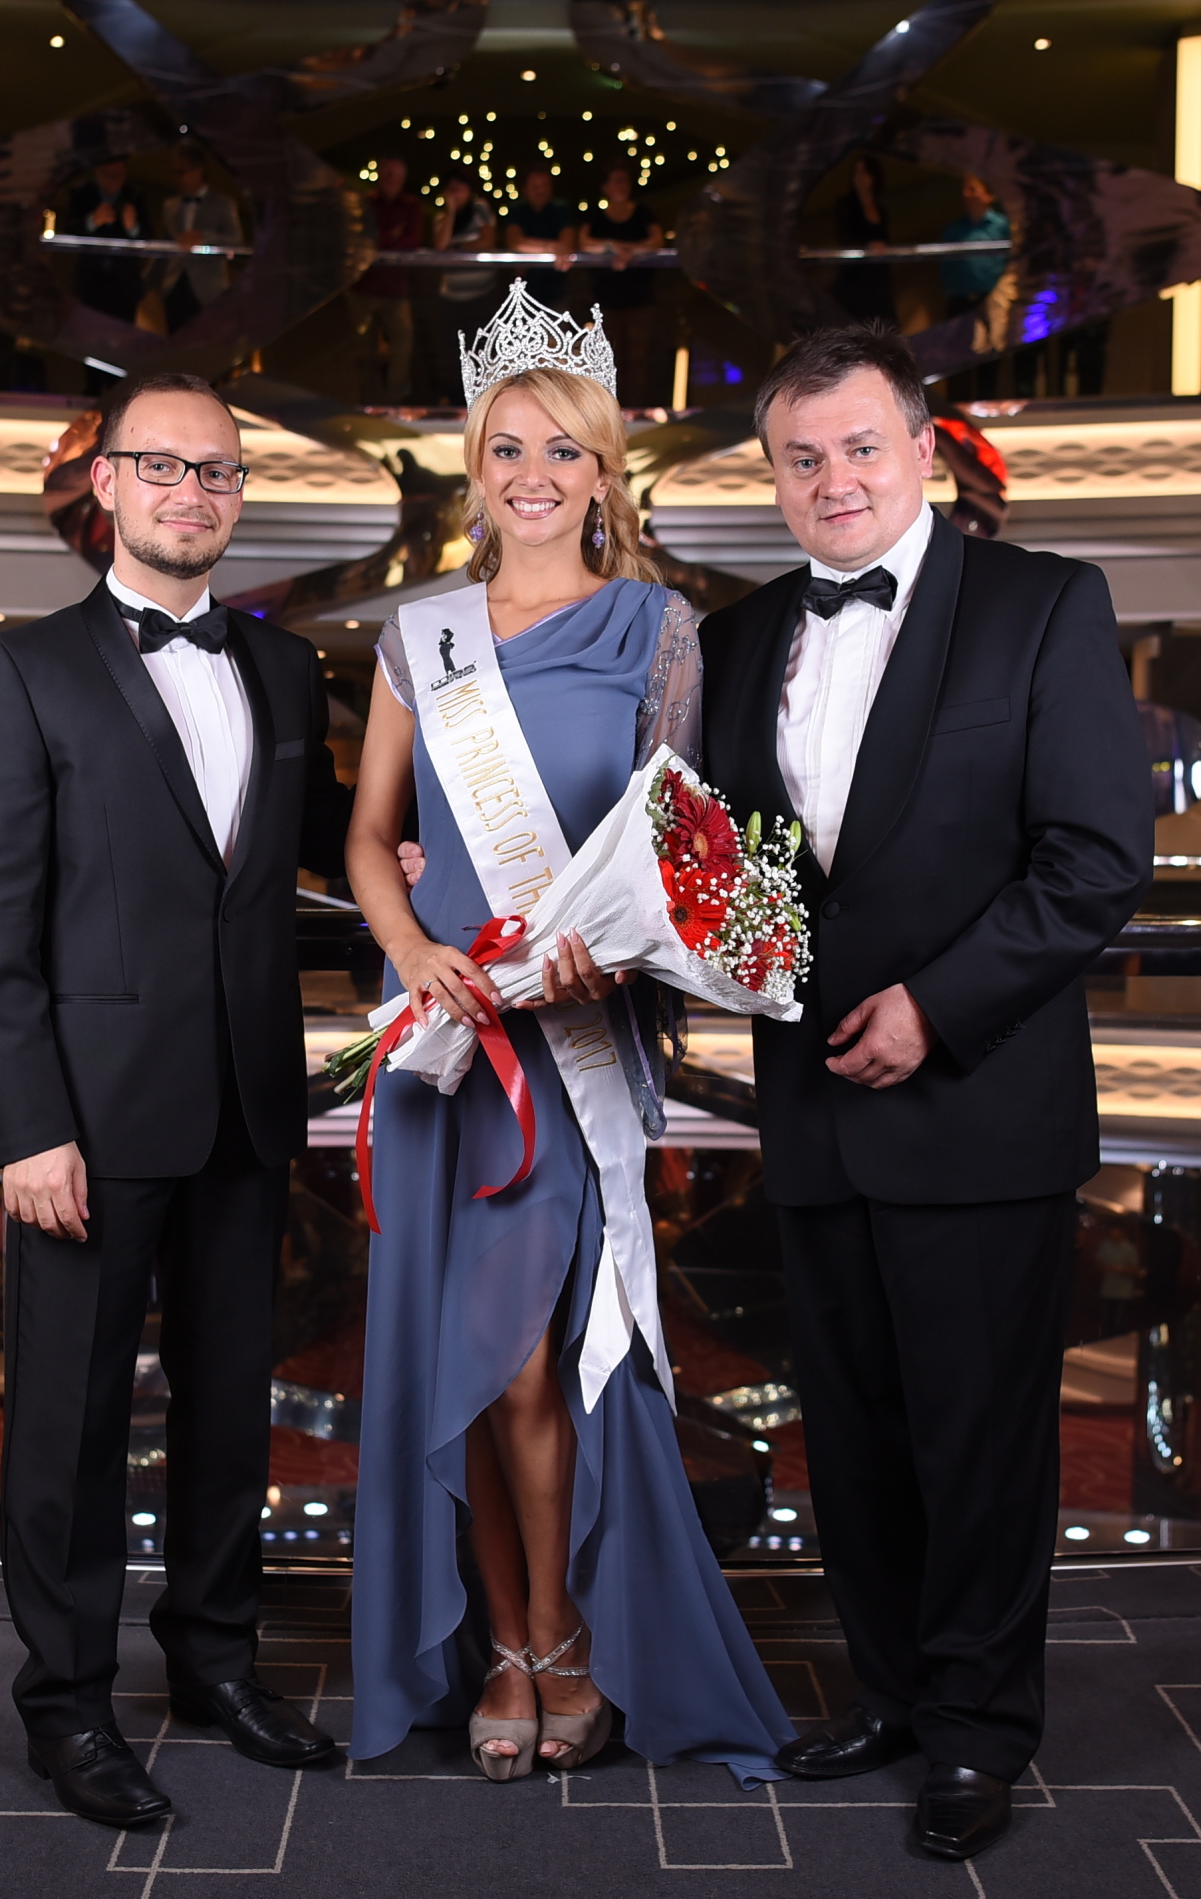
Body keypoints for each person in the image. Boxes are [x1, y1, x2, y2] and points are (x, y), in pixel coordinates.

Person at [693, 323, 1150, 1860]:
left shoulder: (1045, 606)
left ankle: (976, 1731)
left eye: (859, 447)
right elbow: (743, 870)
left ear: (923, 449)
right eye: (801, 458)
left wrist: (936, 1011)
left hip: (976, 1103)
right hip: (815, 1109)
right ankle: (891, 1692)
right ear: (774, 478)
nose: (833, 479)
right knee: (856, 1437)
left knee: (980, 1445)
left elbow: (1097, 859)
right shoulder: (741, 639)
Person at [344, 283, 789, 1788]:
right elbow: (370, 837)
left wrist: (624, 955)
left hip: (572, 1051)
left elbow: (679, 856)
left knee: (536, 1359)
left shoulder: (660, 631)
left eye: (564, 449)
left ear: (605, 473)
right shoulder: (420, 637)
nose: (534, 474)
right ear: (474, 470)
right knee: (470, 1365)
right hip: (445, 1049)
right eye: (507, 448)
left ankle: (563, 1637)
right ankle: (510, 1642)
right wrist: (414, 946)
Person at [0, 371, 352, 1830]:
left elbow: (329, 850)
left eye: (219, 471)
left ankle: (215, 1658)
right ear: (107, 484)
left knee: (229, 1408)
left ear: (241, 495)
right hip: (88, 1121)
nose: (193, 492)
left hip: (246, 1102)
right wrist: (25, 1128)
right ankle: (66, 1704)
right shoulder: (22, 670)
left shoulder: (288, 669)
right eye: (164, 467)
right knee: (67, 1424)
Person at [582, 165, 665, 406]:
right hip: (606, 301)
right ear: (605, 186)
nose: (621, 185)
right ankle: (609, 410)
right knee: (608, 359)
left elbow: (657, 240)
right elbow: (584, 243)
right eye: (615, 180)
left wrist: (631, 252)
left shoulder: (643, 213)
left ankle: (635, 409)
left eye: (624, 180)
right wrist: (612, 246)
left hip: (640, 299)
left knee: (639, 360)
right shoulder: (597, 217)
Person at [354, 155, 428, 402]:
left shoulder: (411, 206)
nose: (391, 180)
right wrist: (391, 236)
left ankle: (393, 404)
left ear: (403, 179)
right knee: (366, 352)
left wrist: (380, 241)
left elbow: (412, 240)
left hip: (396, 291)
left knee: (402, 348)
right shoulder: (366, 203)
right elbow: (362, 240)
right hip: (363, 289)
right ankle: (369, 404)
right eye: (387, 174)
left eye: (396, 176)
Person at [152, 142, 241, 335]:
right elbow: (163, 248)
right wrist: (149, 283)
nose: (177, 178)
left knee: (207, 343)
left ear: (198, 171)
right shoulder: (170, 205)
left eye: (181, 172)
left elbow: (236, 242)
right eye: (175, 173)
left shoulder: (223, 204)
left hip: (208, 290)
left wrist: (203, 237)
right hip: (174, 288)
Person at [430, 173, 499, 399]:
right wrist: (450, 212)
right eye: (452, 189)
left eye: (461, 188)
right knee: (452, 354)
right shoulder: (442, 217)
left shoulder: (480, 209)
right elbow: (441, 246)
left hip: (481, 295)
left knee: (480, 351)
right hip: (450, 298)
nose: (456, 193)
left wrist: (457, 248)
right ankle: (455, 400)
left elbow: (488, 241)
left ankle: (481, 400)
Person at [61, 154, 146, 324]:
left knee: (121, 334)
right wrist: (91, 221)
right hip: (89, 280)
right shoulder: (81, 193)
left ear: (125, 173)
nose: (113, 180)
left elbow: (148, 236)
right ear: (97, 171)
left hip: (124, 284)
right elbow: (68, 230)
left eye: (118, 175)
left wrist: (133, 227)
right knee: (86, 330)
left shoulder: (135, 195)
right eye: (107, 174)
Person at [939, 175, 1015, 361]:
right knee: (957, 357)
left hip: (993, 300)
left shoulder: (1003, 227)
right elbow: (945, 266)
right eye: (964, 190)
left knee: (991, 357)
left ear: (988, 195)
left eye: (973, 189)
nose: (967, 195)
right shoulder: (954, 230)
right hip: (961, 301)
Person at [830, 153, 896, 327]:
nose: (859, 177)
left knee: (884, 324)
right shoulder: (845, 205)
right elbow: (844, 237)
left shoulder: (881, 210)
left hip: (878, 279)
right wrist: (867, 247)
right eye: (856, 172)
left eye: (864, 172)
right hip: (854, 278)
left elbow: (887, 241)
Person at [502, 165, 579, 307]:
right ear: (524, 189)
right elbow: (516, 242)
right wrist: (553, 248)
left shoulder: (561, 208)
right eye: (535, 186)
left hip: (557, 288)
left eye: (545, 185)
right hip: (523, 290)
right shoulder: (517, 209)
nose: (541, 190)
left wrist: (533, 247)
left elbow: (567, 243)